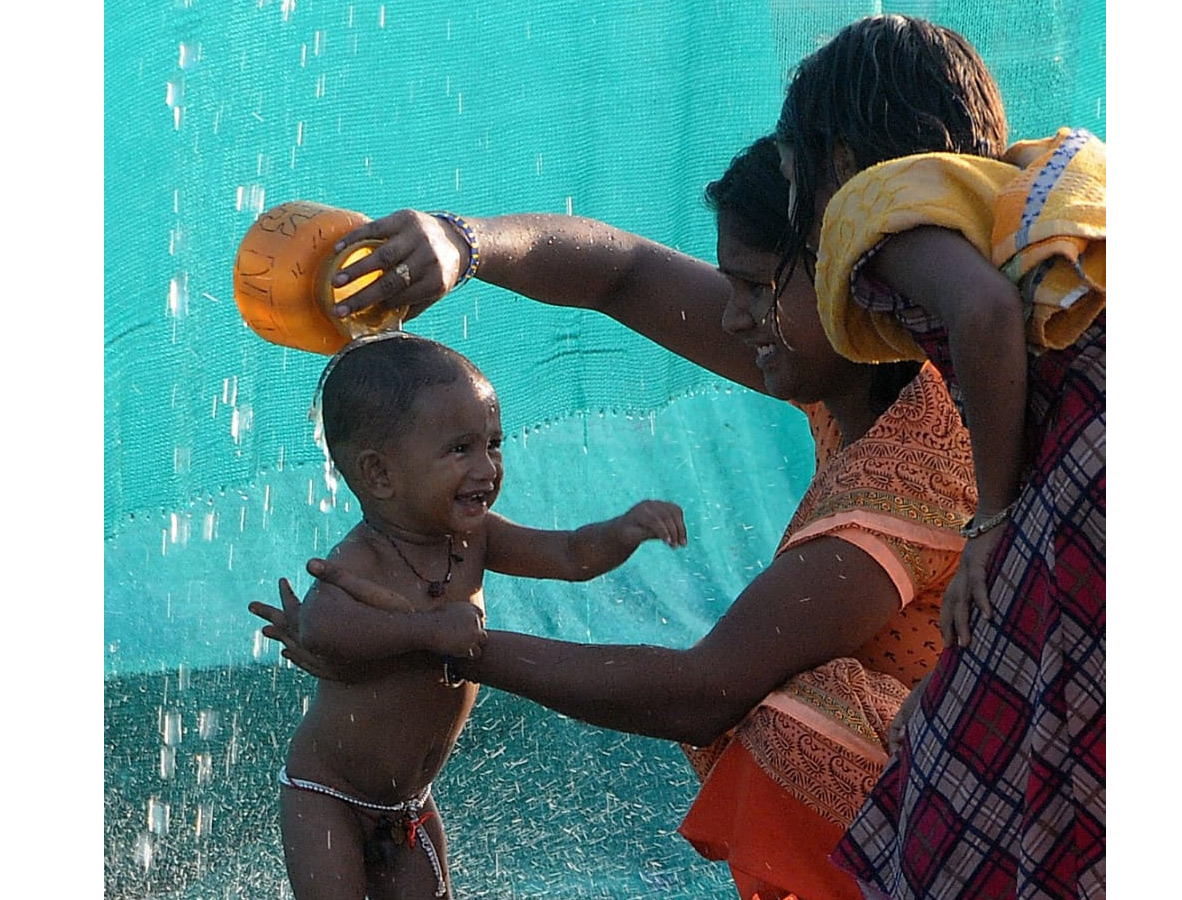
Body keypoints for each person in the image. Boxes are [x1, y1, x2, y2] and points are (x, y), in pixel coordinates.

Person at [253, 135, 978, 900]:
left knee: (799, 723)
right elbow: (622, 272)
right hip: (336, 795)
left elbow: (702, 689)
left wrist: (433, 643)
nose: (732, 318)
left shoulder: (912, 464)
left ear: (853, 279)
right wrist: (463, 243)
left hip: (974, 803)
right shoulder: (860, 365)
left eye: (757, 288)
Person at [770, 14, 1105, 900]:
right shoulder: (1001, 196)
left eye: (794, 178)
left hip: (1097, 467)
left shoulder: (876, 204)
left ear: (838, 157)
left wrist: (990, 519)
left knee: (968, 781)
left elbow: (986, 315)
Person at [265, 332, 686, 900]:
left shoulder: (476, 538)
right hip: (327, 796)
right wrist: (426, 630)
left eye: (494, 443)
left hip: (409, 805)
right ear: (381, 475)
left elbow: (567, 554)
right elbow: (323, 630)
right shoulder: (360, 557)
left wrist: (623, 530)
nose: (487, 467)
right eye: (460, 449)